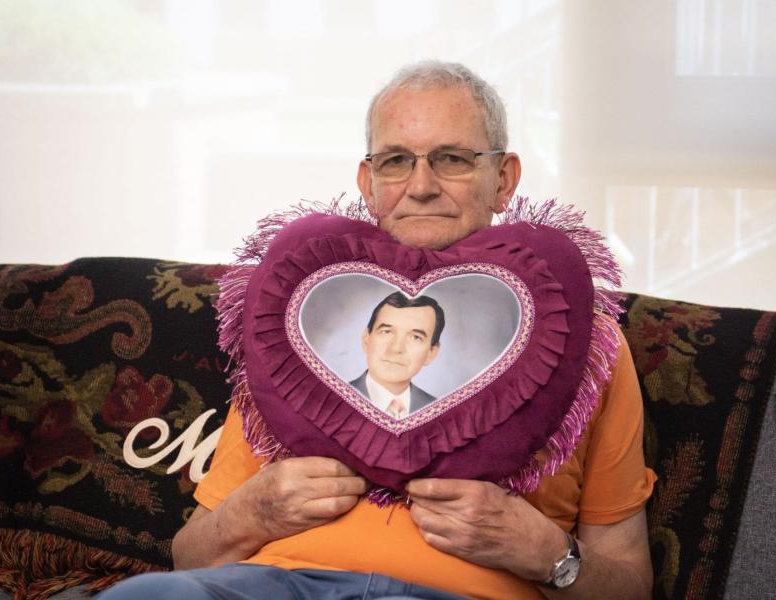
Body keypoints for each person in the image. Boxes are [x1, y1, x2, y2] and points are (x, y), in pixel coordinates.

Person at [98, 61, 655, 600]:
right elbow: (189, 557)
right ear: (367, 182)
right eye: (395, 161)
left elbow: (632, 587)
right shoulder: (296, 319)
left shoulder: (584, 338)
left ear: (503, 179)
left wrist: (546, 554)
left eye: (453, 158)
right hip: (274, 585)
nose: (421, 186)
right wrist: (255, 511)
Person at [350, 292, 445, 417]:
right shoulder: (332, 401)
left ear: (431, 353)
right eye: (386, 332)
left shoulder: (442, 413)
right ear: (366, 340)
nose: (396, 348)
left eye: (416, 337)